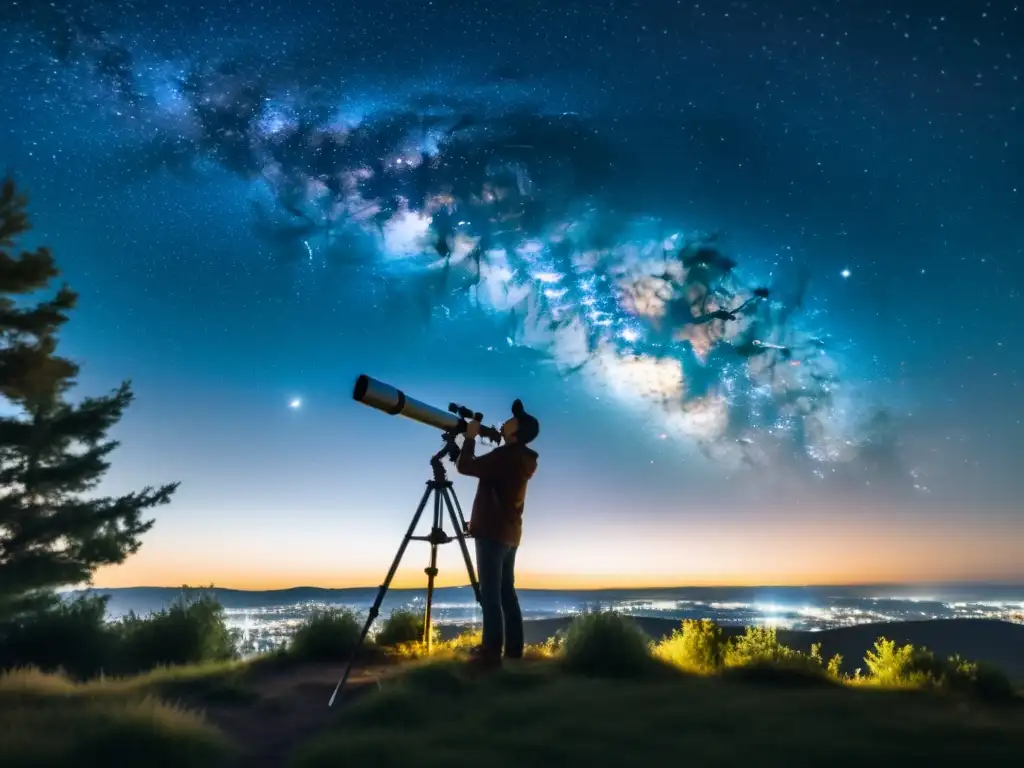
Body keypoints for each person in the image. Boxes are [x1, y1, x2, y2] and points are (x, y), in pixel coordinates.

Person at [456, 398, 539, 666]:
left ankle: (490, 654)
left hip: (492, 532)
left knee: (490, 594)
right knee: (506, 593)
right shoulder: (522, 459)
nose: (505, 421)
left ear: (516, 432)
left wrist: (469, 438)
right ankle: (513, 653)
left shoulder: (506, 457)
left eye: (512, 420)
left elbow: (465, 466)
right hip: (510, 533)